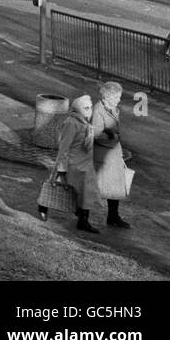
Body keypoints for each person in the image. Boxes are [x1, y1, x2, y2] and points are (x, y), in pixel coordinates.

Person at [53, 94, 104, 233]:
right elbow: (64, 147)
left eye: (90, 107)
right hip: (75, 165)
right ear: (77, 109)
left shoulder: (84, 121)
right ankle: (83, 221)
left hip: (85, 165)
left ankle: (83, 219)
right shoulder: (71, 122)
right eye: (85, 107)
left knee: (86, 194)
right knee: (82, 194)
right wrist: (61, 168)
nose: (89, 110)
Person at [91, 81, 131, 228]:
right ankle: (82, 216)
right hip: (103, 156)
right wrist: (111, 136)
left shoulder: (112, 108)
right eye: (116, 97)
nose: (119, 100)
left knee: (115, 188)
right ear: (107, 96)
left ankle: (113, 216)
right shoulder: (98, 110)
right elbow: (95, 134)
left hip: (113, 154)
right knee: (95, 188)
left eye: (119, 97)